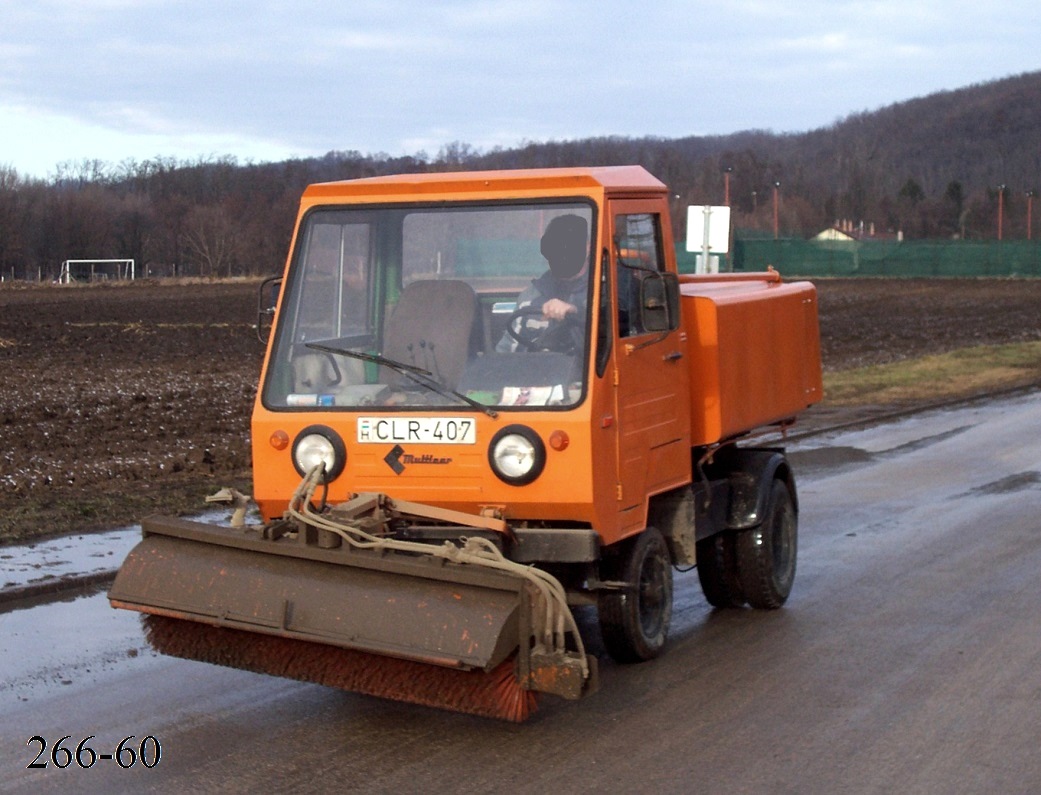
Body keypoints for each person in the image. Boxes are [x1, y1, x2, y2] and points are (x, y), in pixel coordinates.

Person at [497, 213, 589, 352]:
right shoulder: (530, 297)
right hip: (535, 371)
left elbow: (613, 334)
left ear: (587, 247)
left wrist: (575, 312)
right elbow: (507, 353)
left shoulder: (607, 290)